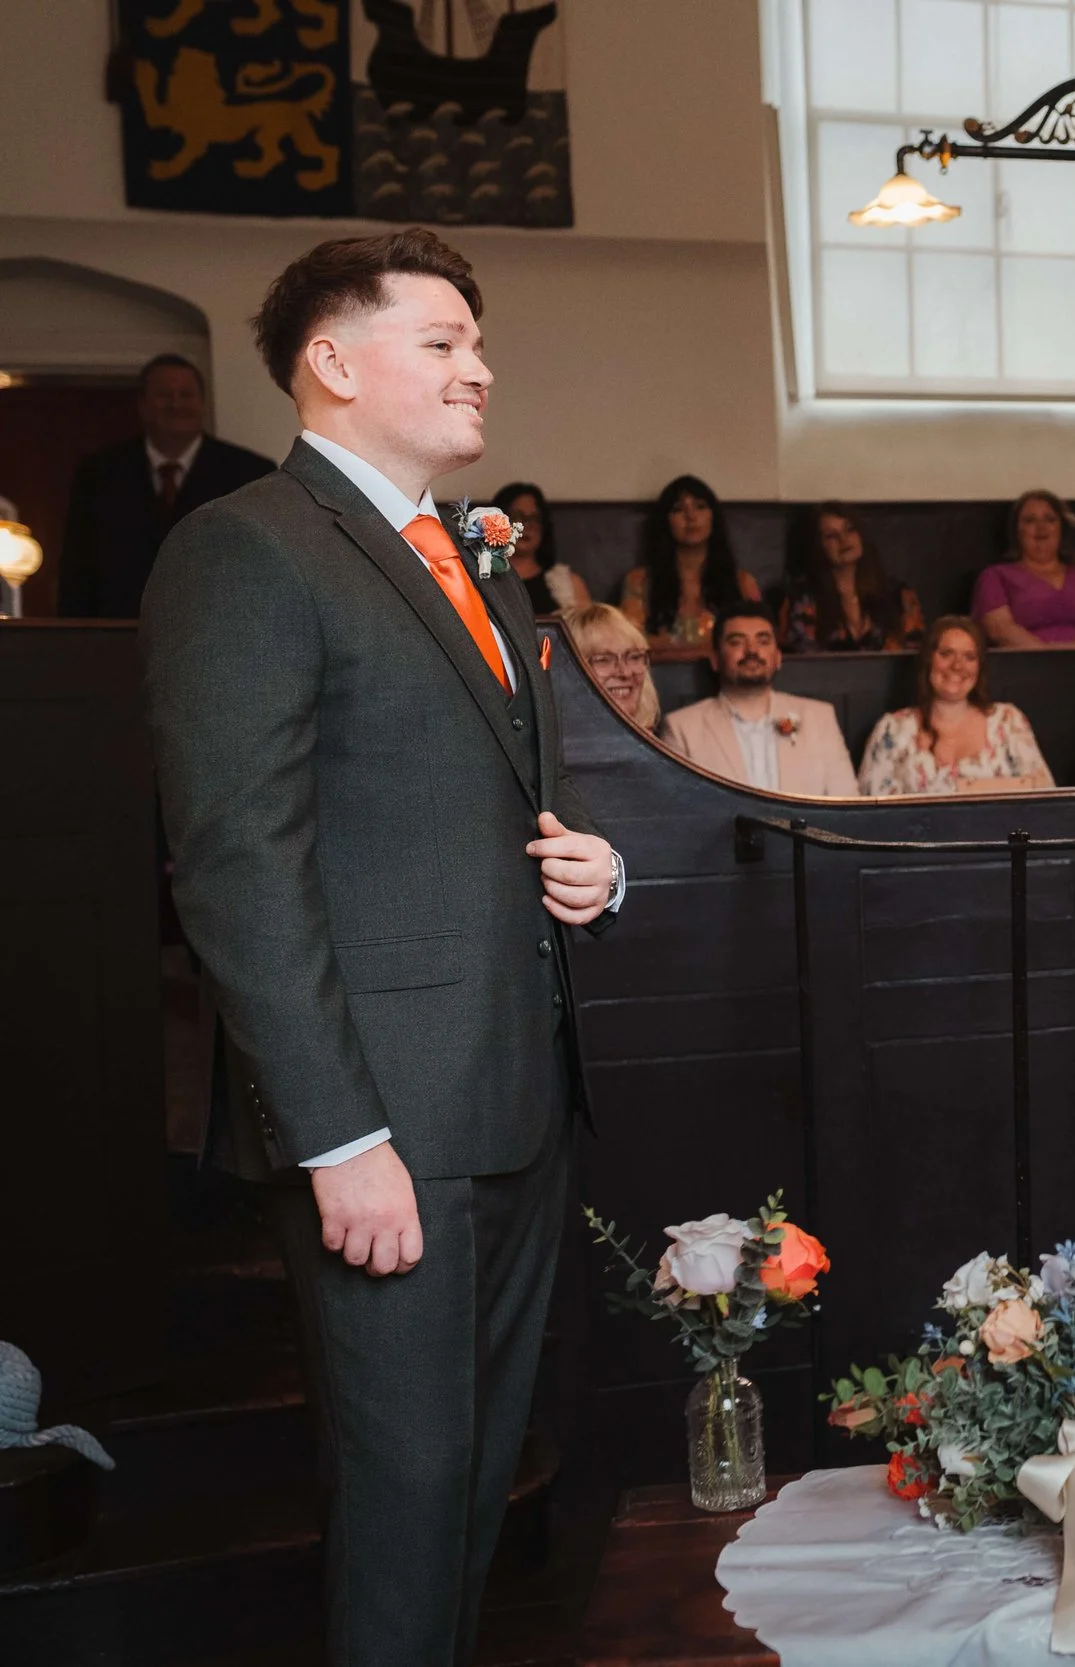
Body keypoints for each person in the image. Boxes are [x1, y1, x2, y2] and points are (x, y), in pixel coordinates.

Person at [140, 228, 622, 1667]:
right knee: (405, 1496)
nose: (479, 368)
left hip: (511, 1099)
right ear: (332, 363)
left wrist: (598, 863)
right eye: (443, 341)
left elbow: (500, 789)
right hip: (388, 1123)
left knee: (472, 1486)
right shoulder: (245, 548)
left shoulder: (479, 560)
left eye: (480, 344)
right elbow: (238, 862)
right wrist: (340, 1133)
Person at [58, 353, 275, 617]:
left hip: (219, 633)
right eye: (164, 395)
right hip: (118, 639)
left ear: (202, 403)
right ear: (143, 405)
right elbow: (76, 570)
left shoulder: (250, 473)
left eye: (186, 395)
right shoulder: (98, 473)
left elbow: (264, 569)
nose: (176, 404)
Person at [660, 603, 859, 796]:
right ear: (715, 659)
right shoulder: (681, 729)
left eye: (763, 641)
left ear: (778, 657)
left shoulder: (819, 718)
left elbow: (847, 807)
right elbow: (679, 815)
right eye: (737, 642)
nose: (752, 651)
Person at [856, 617, 1053, 795]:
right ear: (928, 660)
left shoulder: (1008, 721)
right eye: (946, 654)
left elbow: (1046, 799)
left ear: (979, 667)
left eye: (969, 657)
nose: (957, 666)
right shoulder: (892, 729)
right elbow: (869, 815)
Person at [620, 474, 763, 656]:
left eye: (700, 507)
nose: (691, 516)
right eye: (678, 509)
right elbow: (631, 646)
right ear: (666, 521)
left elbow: (758, 644)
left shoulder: (742, 582)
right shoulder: (638, 582)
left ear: (713, 517)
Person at [973, 488, 1075, 647]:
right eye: (1030, 520)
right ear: (1017, 530)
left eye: (1050, 519)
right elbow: (1000, 629)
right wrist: (1048, 656)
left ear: (1062, 528)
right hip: (1025, 666)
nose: (1041, 527)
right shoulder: (995, 576)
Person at [781, 499, 924, 653]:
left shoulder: (898, 595)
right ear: (818, 546)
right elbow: (801, 661)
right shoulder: (804, 600)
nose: (844, 540)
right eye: (831, 536)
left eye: (849, 529)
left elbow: (916, 654)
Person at [489, 480, 587, 615]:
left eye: (534, 518)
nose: (527, 526)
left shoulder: (569, 585)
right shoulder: (479, 579)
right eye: (517, 517)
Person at [561, 602, 658, 730]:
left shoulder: (648, 745)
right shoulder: (553, 747)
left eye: (634, 657)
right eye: (604, 660)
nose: (625, 672)